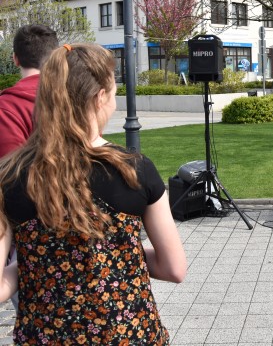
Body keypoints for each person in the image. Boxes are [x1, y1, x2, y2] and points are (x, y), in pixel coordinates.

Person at [0, 43, 186, 344]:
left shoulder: (10, 175)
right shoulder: (135, 170)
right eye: (114, 94)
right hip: (128, 335)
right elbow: (173, 268)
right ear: (100, 97)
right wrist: (119, 250)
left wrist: (34, 260)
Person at [0, 24, 58, 158]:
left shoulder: (6, 107)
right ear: (55, 57)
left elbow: (10, 165)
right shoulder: (78, 95)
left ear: (15, 59)